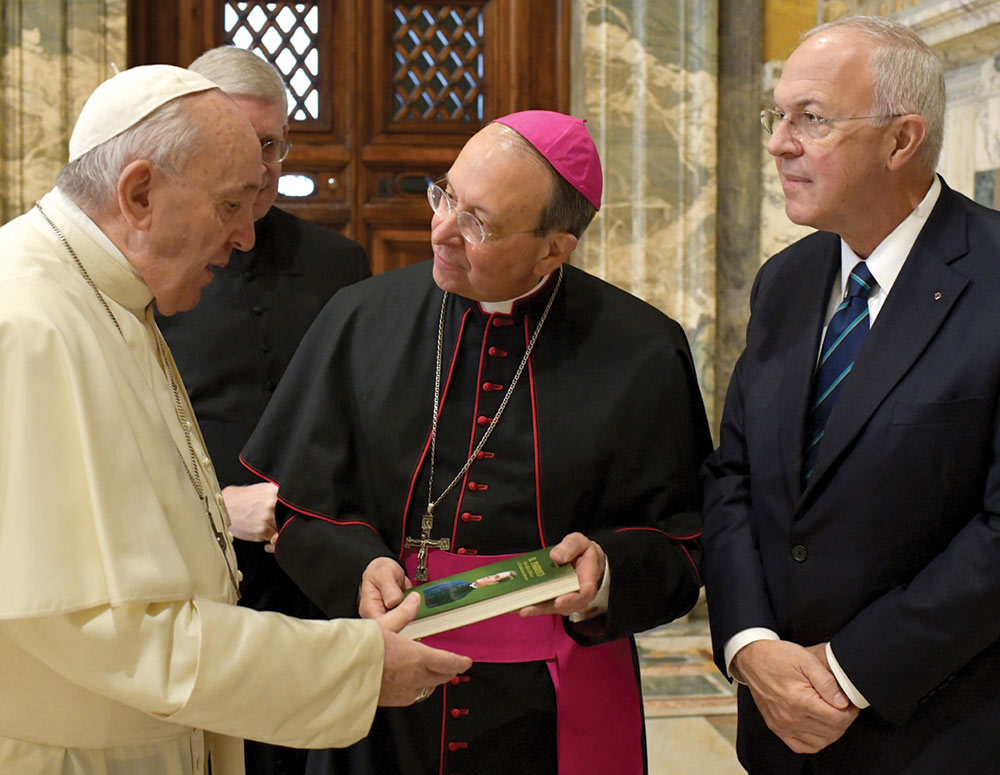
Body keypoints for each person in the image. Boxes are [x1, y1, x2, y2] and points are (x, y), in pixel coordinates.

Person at [0, 64, 471, 774]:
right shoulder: (28, 326)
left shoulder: (106, 295)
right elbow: (111, 633)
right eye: (228, 206)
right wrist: (353, 667)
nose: (245, 238)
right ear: (139, 194)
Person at [241, 109, 712, 775]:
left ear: (554, 249)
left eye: (478, 224)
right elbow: (299, 505)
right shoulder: (360, 317)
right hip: (385, 685)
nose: (441, 230)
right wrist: (358, 568)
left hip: (549, 705)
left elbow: (686, 540)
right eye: (445, 196)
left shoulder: (643, 350)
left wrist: (607, 572)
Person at [702, 15, 1000, 774]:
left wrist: (848, 671)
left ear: (901, 140)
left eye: (811, 119)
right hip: (778, 727)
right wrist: (751, 645)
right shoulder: (785, 280)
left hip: (938, 730)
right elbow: (734, 477)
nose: (779, 143)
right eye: (777, 117)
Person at [155, 47, 371, 775]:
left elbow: (356, 412)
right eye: (246, 145)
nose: (264, 166)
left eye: (274, 145)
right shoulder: (155, 267)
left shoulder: (340, 263)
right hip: (194, 571)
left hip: (316, 566)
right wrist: (220, 507)